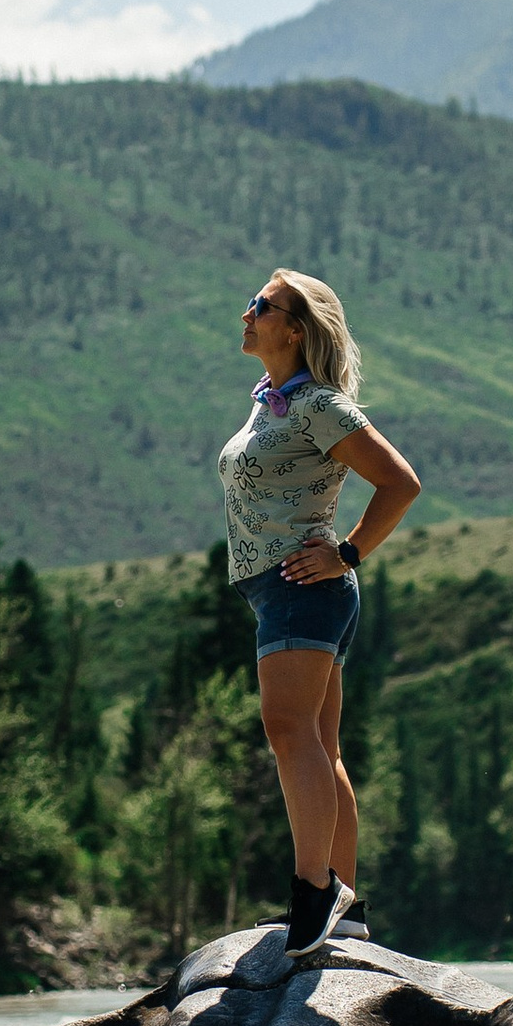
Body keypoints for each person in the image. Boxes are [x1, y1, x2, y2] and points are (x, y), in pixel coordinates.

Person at [217, 266, 421, 955]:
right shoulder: (272, 400)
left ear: (295, 328)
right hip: (281, 589)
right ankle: (349, 907)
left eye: (262, 305)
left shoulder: (317, 405)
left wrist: (351, 552)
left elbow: (400, 482)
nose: (247, 312)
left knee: (288, 730)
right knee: (319, 746)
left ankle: (314, 892)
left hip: (303, 585)